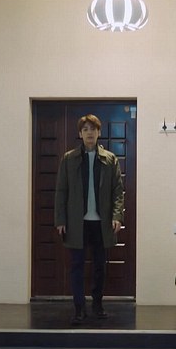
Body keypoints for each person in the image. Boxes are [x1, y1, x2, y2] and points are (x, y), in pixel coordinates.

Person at [55, 114, 124, 325]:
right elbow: (61, 191)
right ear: (80, 134)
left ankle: (97, 304)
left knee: (100, 266)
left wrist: (117, 216)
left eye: (93, 129)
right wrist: (60, 219)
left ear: (99, 132)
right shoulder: (69, 159)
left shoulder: (110, 159)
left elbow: (118, 191)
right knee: (76, 266)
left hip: (101, 223)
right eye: (85, 129)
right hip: (77, 222)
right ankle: (79, 308)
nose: (89, 133)